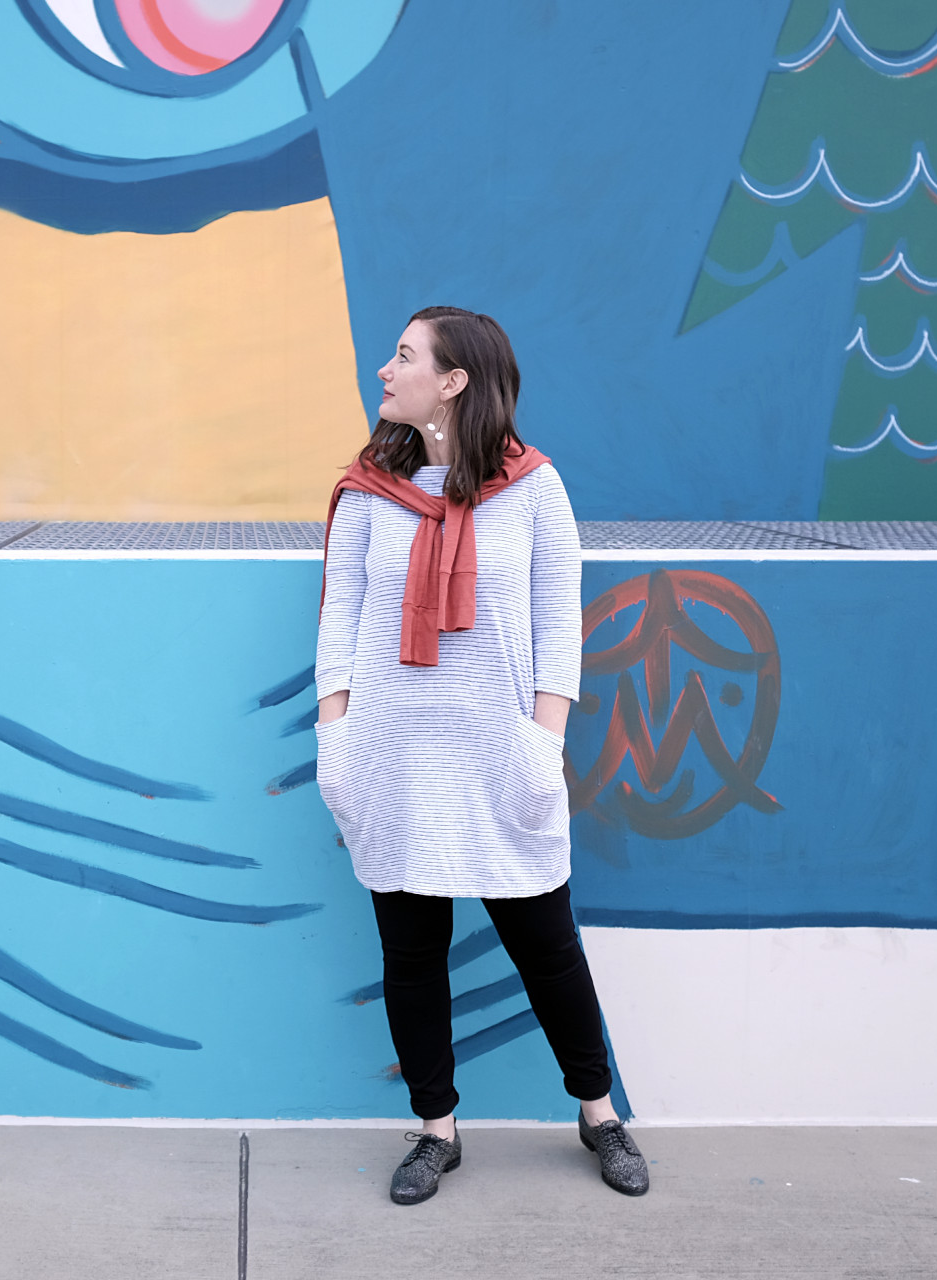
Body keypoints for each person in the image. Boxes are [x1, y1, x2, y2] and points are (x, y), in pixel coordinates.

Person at [315, 306, 648, 1206]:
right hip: (392, 754)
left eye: (405, 356)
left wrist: (545, 745)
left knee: (547, 949)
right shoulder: (367, 491)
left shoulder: (534, 489)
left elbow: (556, 627)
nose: (385, 369)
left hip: (501, 752)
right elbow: (339, 623)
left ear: (454, 380)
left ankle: (599, 1111)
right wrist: (336, 740)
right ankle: (436, 1130)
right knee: (411, 955)